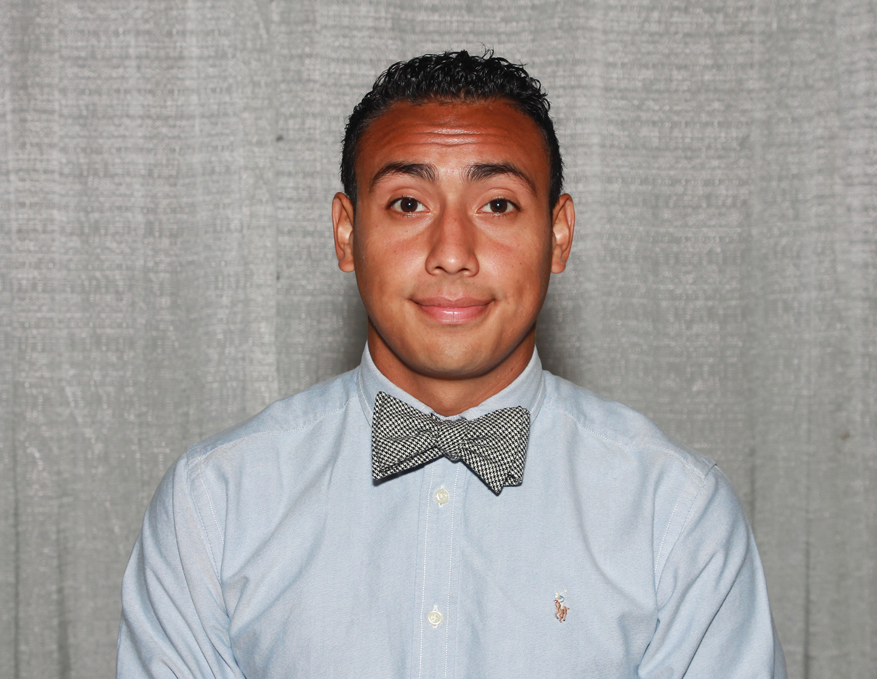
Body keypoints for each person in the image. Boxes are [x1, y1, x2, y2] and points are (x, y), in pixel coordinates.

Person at [117, 50, 787, 678]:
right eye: (408, 203)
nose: (452, 252)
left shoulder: (675, 513)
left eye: (498, 204)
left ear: (558, 235)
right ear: (347, 233)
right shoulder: (214, 504)